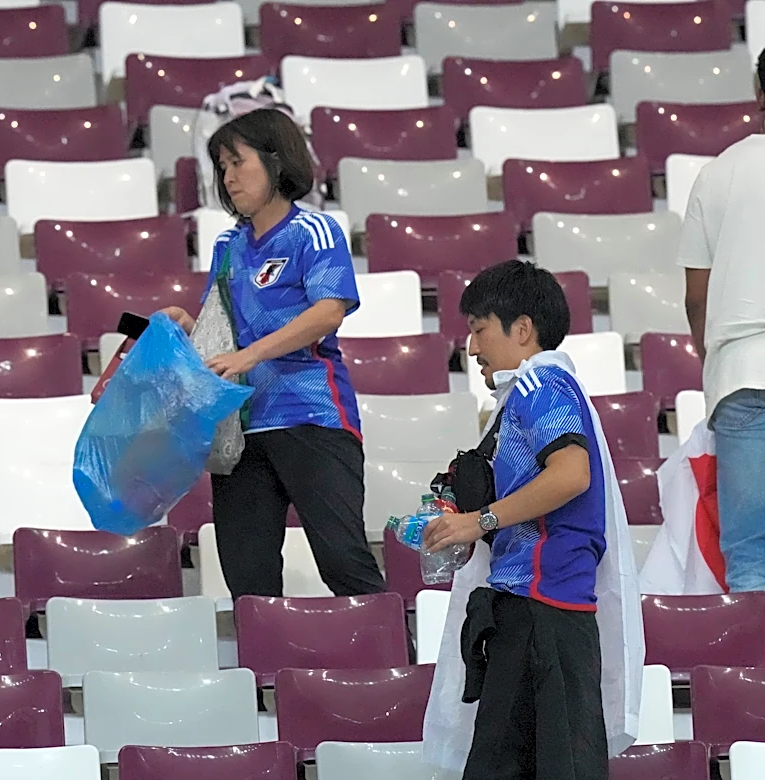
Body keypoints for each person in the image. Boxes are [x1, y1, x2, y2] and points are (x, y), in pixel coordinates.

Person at [163, 109, 385, 599]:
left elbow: (329, 312)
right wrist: (188, 330)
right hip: (240, 432)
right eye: (221, 166)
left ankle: (394, 665)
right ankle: (264, 675)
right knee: (248, 582)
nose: (228, 176)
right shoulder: (226, 245)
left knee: (343, 562)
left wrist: (248, 357)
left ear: (276, 161)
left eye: (238, 162)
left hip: (312, 418)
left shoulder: (314, 231)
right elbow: (222, 336)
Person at [424, 260, 616, 780]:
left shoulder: (541, 384)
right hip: (531, 610)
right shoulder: (523, 398)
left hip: (544, 611)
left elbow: (571, 474)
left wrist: (479, 520)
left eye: (479, 329)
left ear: (523, 329)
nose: (471, 348)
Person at [677, 47, 765, 592]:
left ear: (759, 92)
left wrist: (716, 362)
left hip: (739, 373)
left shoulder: (718, 173)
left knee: (751, 556)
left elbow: (696, 298)